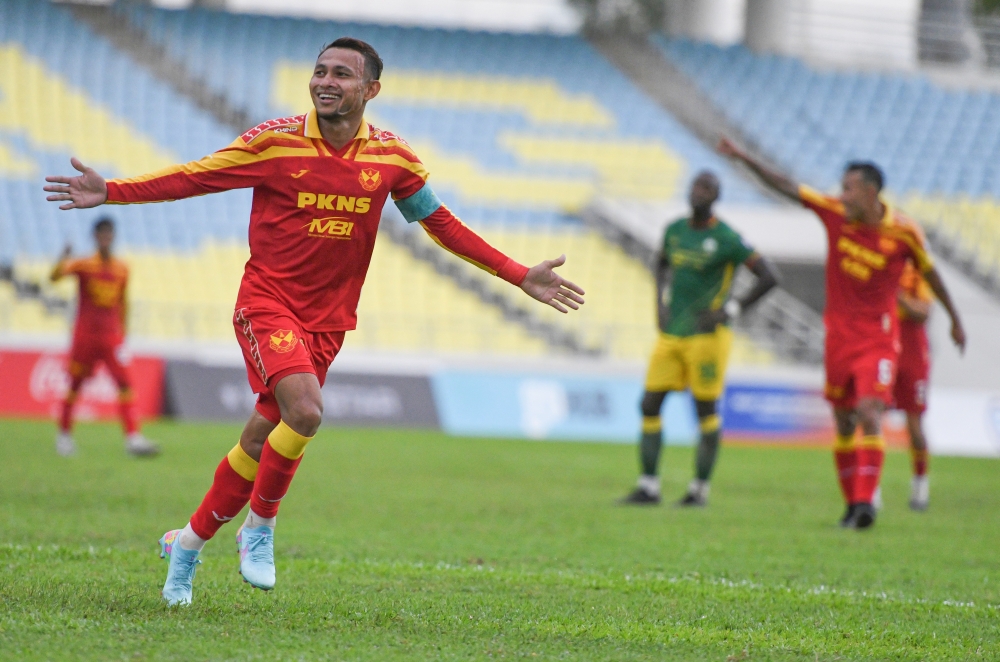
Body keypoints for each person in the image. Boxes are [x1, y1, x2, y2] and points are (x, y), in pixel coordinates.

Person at [44, 37, 585, 605]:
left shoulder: (393, 160)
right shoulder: (273, 143)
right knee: (304, 411)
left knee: (262, 435)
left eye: (343, 75)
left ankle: (187, 545)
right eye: (320, 71)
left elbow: (441, 224)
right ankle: (260, 528)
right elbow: (195, 177)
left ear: (371, 90)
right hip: (267, 303)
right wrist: (112, 192)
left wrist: (518, 273)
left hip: (329, 324)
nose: (326, 81)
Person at [717, 137, 965, 529]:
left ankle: (867, 502)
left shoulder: (904, 233)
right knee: (844, 420)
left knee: (871, 410)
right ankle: (853, 505)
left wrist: (955, 318)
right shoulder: (834, 213)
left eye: (848, 188)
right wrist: (744, 158)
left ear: (870, 192)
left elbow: (931, 274)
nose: (841, 194)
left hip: (880, 339)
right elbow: (784, 185)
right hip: (838, 339)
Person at [619, 171, 778, 507]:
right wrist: (658, 303)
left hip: (707, 336)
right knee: (649, 404)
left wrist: (732, 309)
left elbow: (769, 276)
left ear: (716, 196)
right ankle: (648, 486)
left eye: (706, 189)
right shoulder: (674, 231)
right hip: (672, 331)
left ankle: (699, 490)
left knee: (704, 408)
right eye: (695, 187)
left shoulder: (728, 238)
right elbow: (660, 264)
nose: (698, 193)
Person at [49, 217, 160, 458]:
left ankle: (133, 438)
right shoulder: (84, 265)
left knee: (125, 384)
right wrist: (62, 257)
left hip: (111, 338)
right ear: (95, 237)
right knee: (75, 385)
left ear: (113, 237)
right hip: (85, 337)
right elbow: (54, 277)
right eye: (102, 234)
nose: (106, 239)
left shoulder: (122, 269)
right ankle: (64, 436)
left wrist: (123, 333)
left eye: (109, 234)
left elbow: (123, 302)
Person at [893, 261, 933, 511]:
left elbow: (924, 312)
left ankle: (920, 484)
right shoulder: (875, 262)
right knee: (869, 414)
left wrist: (898, 299)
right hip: (881, 343)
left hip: (913, 352)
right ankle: (870, 492)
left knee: (914, 425)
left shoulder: (916, 272)